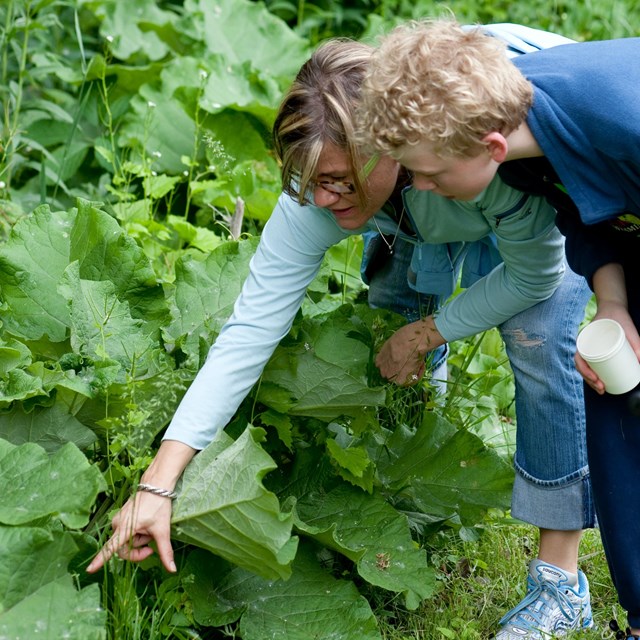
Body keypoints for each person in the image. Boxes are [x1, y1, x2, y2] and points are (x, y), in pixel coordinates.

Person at [87, 29, 595, 639]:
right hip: (419, 190)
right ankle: (419, 466)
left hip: (516, 160)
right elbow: (251, 329)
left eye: (340, 181)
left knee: (536, 340)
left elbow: (534, 276)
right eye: (308, 180)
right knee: (388, 300)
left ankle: (559, 584)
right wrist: (158, 485)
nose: (323, 199)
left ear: (387, 144)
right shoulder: (320, 183)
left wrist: (430, 332)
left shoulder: (489, 146)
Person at [357, 18, 640, 639]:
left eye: (426, 176)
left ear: (489, 147)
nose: (419, 189)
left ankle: (576, 589)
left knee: (584, 365)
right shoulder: (516, 150)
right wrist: (613, 302)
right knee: (619, 404)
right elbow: (593, 217)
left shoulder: (619, 121)